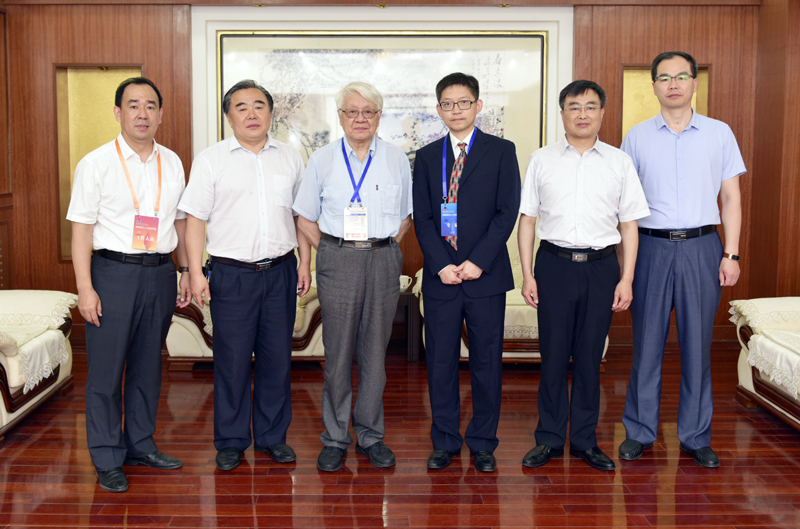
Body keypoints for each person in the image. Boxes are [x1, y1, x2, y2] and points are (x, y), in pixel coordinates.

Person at [619, 52, 745, 468]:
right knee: (646, 345)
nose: (673, 84)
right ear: (653, 86)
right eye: (664, 78)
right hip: (650, 248)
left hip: (702, 247)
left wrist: (731, 253)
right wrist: (626, 268)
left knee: (697, 345)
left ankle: (695, 435)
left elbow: (731, 198)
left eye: (681, 76)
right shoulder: (636, 137)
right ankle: (639, 431)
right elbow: (625, 208)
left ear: (694, 82)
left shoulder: (719, 133)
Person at [518, 80, 650, 472]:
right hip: (554, 265)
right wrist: (527, 274)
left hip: (601, 267)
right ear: (562, 113)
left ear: (602, 113)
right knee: (553, 357)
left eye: (591, 106)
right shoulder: (542, 159)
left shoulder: (619, 162)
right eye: (574, 106)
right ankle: (548, 438)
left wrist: (626, 278)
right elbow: (528, 220)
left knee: (590, 359)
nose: (582, 114)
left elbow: (629, 224)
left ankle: (585, 441)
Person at [179, 80, 311, 471]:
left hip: (281, 271)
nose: (251, 114)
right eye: (241, 107)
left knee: (277, 359)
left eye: (259, 106)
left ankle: (272, 437)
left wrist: (305, 263)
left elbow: (301, 217)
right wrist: (195, 272)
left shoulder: (290, 157)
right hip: (231, 274)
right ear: (228, 116)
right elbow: (194, 220)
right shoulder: (211, 160)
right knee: (232, 361)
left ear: (270, 112)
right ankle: (231, 440)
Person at [68, 77, 189, 492]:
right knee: (106, 371)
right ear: (118, 113)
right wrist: (85, 288)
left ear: (160, 114)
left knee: (147, 366)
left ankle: (140, 444)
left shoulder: (172, 161)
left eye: (150, 105)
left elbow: (179, 221)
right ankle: (106, 455)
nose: (142, 113)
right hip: (113, 273)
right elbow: (81, 230)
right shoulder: (96, 163)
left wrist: (185, 270)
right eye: (133, 105)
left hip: (160, 272)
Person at [293, 81, 412, 472]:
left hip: (383, 258)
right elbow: (304, 216)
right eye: (352, 111)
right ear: (340, 116)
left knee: (376, 353)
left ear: (379, 116)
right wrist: (331, 249)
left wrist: (381, 247)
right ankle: (335, 437)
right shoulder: (322, 160)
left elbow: (406, 217)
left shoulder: (396, 158)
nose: (360, 118)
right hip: (338, 259)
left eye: (368, 111)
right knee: (339, 352)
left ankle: (371, 435)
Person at [412, 72, 520, 472]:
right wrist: (441, 264)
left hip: (485, 276)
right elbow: (423, 217)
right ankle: (444, 441)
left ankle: (483, 442)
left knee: (486, 363)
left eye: (463, 102)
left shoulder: (501, 151)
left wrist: (478, 261)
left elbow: (506, 212)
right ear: (438, 109)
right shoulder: (427, 156)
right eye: (448, 103)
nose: (455, 109)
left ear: (478, 106)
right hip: (441, 278)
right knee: (440, 362)